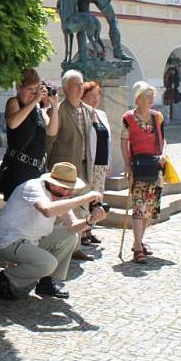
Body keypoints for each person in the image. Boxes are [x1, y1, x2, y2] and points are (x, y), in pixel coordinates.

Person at [0, 163, 106, 300]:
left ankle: (45, 281)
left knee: (71, 237)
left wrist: (90, 220)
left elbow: (73, 225)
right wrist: (85, 198)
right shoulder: (33, 187)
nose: (68, 193)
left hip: (31, 240)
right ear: (52, 183)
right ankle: (4, 278)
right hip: (8, 241)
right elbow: (47, 210)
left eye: (71, 189)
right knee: (48, 263)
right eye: (65, 188)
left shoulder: (60, 195)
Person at [47, 69, 95, 261]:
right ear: (65, 89)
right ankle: (61, 246)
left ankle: (75, 246)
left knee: (80, 207)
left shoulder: (88, 110)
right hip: (64, 168)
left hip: (83, 166)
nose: (79, 87)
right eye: (75, 84)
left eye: (81, 83)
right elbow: (49, 141)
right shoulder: (58, 110)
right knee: (63, 210)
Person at [121, 81, 166, 264]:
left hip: (155, 166)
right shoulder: (128, 118)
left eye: (152, 97)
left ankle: (138, 240)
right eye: (147, 97)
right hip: (138, 166)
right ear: (138, 99)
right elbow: (124, 141)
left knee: (150, 209)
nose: (151, 100)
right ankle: (138, 247)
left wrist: (163, 154)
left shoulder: (158, 117)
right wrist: (127, 164)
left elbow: (163, 138)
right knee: (139, 207)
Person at [0, 69, 59, 200]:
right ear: (19, 87)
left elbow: (51, 132)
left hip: (37, 170)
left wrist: (55, 107)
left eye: (37, 89)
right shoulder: (14, 102)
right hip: (18, 169)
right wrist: (35, 101)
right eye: (30, 89)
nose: (34, 93)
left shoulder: (38, 109)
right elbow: (13, 123)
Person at [82, 81, 111, 245]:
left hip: (101, 162)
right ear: (84, 97)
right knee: (86, 197)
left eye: (97, 95)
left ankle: (90, 228)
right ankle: (83, 231)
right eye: (92, 96)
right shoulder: (82, 114)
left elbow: (107, 139)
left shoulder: (101, 114)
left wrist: (109, 160)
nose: (95, 99)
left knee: (97, 198)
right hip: (88, 162)